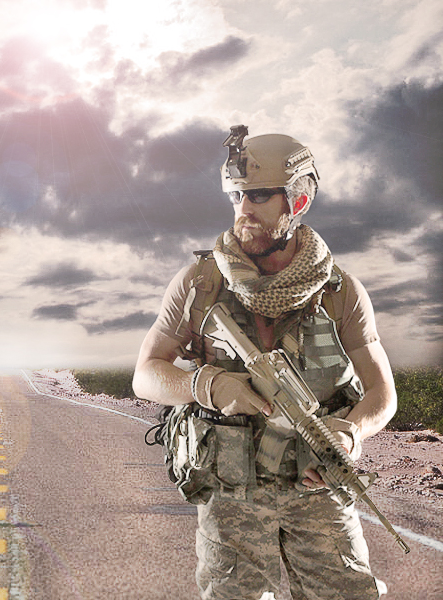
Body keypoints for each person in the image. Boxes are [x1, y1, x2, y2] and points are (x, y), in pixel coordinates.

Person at [133, 125, 398, 599]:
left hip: (318, 484)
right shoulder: (200, 283)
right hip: (232, 492)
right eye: (236, 198)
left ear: (298, 201)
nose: (244, 212)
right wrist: (209, 386)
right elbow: (146, 373)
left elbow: (383, 394)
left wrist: (351, 432)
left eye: (258, 197)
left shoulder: (340, 291)